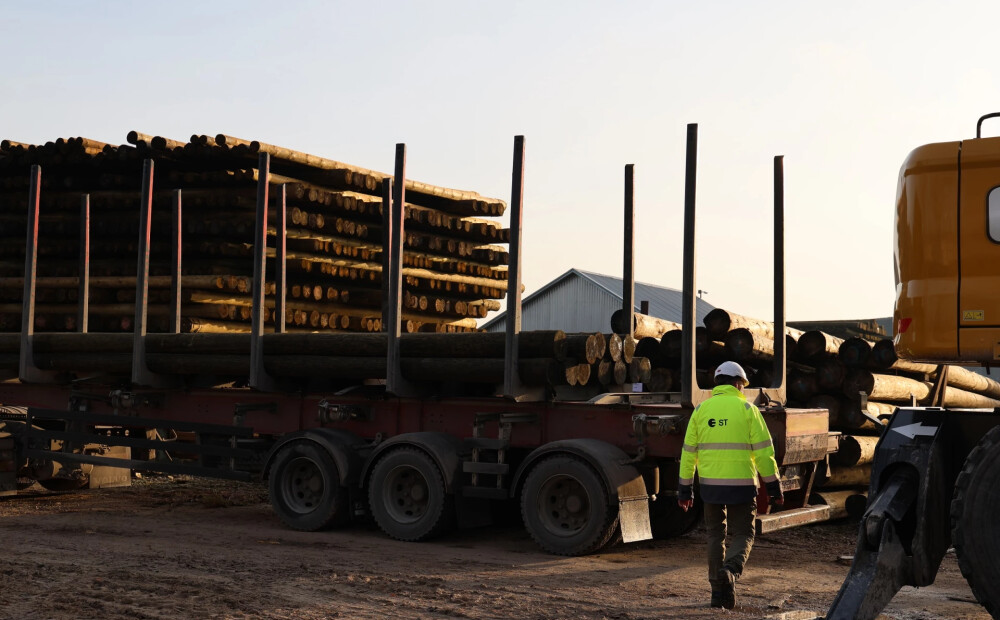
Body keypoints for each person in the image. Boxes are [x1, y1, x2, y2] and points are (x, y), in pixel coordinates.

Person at [676, 360, 783, 610]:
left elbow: (688, 454)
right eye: (743, 386)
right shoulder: (748, 410)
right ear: (737, 384)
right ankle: (731, 570)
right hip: (742, 486)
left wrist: (685, 490)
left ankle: (717, 592)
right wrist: (774, 487)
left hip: (710, 486)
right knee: (745, 533)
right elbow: (765, 453)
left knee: (715, 535)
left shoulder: (701, 411)